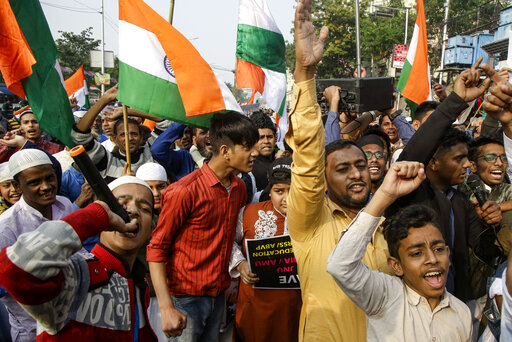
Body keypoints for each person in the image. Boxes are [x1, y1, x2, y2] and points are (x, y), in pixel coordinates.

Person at [285, 2, 391, 341]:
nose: (357, 174)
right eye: (342, 169)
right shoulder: (309, 223)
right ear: (324, 181)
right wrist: (305, 74)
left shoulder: (386, 222)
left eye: (360, 165)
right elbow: (306, 159)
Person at [389, 59, 502, 302]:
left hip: (455, 304)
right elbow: (416, 150)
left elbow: (486, 250)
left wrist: (492, 223)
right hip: (413, 304)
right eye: (459, 158)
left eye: (468, 158)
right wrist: (455, 101)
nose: (468, 165)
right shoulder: (411, 194)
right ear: (433, 161)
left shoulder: (461, 201)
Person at [327, 161, 472, 341]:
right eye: (417, 253)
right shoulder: (385, 296)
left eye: (439, 249)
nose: (432, 259)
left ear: (448, 254)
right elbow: (340, 266)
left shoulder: (462, 313)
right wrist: (385, 195)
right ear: (396, 266)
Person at [0, 176, 158, 341]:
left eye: (145, 208)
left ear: (151, 228)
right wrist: (95, 216)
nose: (132, 210)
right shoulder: (77, 273)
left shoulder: (140, 283)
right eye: (120, 204)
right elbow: (15, 268)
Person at [147, 112, 259, 341]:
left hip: (219, 295)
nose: (254, 153)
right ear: (225, 151)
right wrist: (167, 307)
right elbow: (156, 248)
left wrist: (240, 264)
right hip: (185, 299)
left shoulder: (238, 188)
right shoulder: (184, 190)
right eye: (247, 147)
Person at [0, 149, 74, 341]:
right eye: (34, 182)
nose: (46, 187)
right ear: (18, 186)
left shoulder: (64, 205)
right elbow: (9, 281)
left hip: (71, 318)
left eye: (50, 178)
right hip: (32, 329)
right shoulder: (7, 226)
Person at [229, 157, 301, 342]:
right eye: (279, 191)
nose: (287, 198)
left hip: (298, 308)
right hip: (255, 307)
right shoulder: (249, 213)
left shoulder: (315, 216)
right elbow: (229, 242)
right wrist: (240, 264)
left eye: (293, 191)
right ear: (269, 191)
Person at [250, 111, 277, 191]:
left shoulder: (283, 160)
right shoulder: (248, 167)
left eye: (269, 137)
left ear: (275, 138)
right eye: (261, 137)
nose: (266, 141)